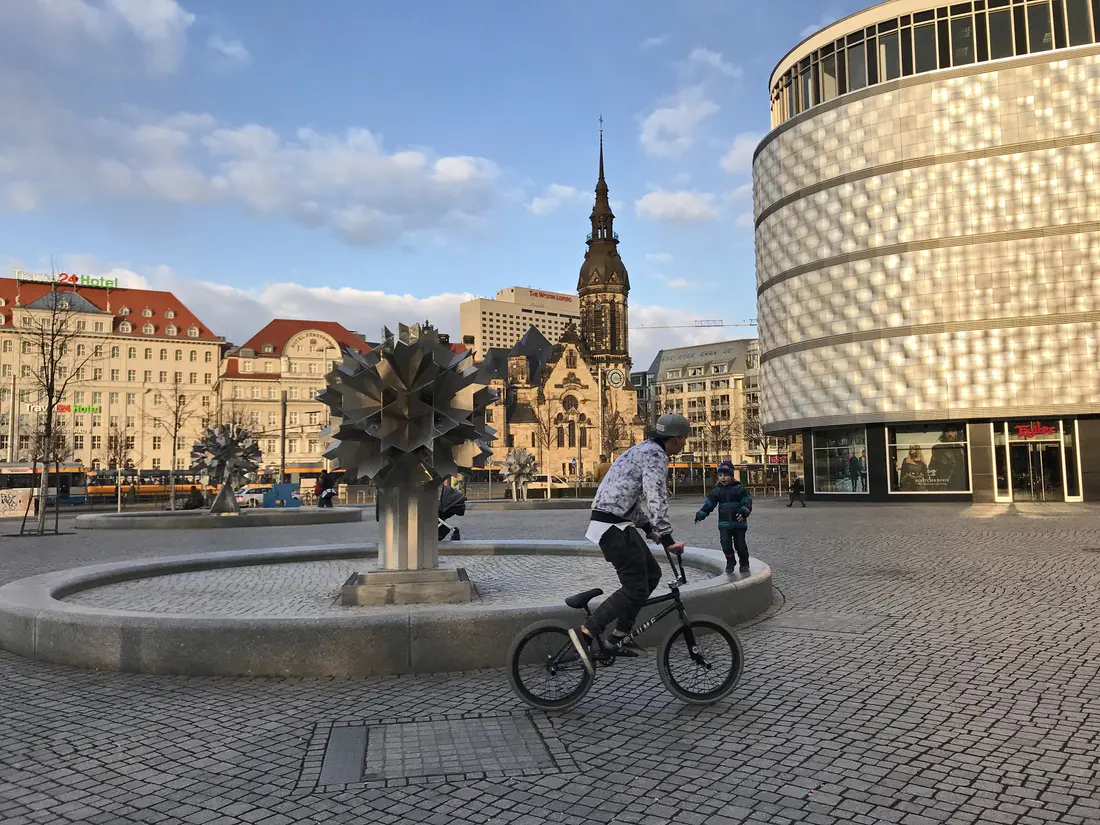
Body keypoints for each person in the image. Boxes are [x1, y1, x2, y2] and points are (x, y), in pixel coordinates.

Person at [568, 414, 689, 674]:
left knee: (652, 574)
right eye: (684, 440)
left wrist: (648, 529)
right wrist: (666, 537)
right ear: (676, 438)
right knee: (635, 587)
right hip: (612, 527)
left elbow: (625, 495)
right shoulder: (656, 455)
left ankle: (620, 635)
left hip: (615, 523)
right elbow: (656, 496)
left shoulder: (641, 449)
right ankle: (586, 632)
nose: (684, 445)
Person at [695, 461, 753, 574]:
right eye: (720, 475)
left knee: (740, 546)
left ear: (731, 476)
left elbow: (747, 502)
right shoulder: (717, 491)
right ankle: (730, 560)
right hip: (724, 524)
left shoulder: (740, 489)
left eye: (725, 475)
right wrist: (701, 514)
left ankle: (744, 562)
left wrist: (744, 512)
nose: (723, 478)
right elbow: (709, 504)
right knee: (725, 544)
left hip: (739, 523)